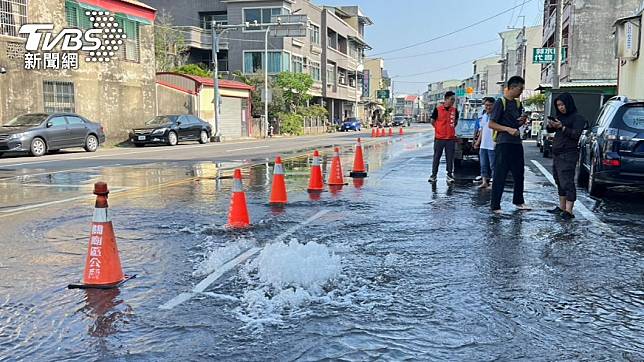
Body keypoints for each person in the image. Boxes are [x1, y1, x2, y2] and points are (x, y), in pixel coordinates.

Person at [489, 76, 530, 213]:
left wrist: (521, 121)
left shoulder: (518, 104)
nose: (521, 92)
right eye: (520, 89)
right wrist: (508, 129)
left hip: (516, 142)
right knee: (500, 174)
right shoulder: (500, 102)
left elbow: (515, 123)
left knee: (519, 173)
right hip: (503, 143)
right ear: (512, 87)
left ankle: (519, 201)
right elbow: (491, 124)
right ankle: (495, 205)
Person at [545, 93, 587, 220]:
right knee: (559, 181)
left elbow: (575, 134)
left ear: (568, 104)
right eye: (558, 105)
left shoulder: (578, 118)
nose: (561, 107)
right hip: (557, 153)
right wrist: (552, 125)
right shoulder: (560, 117)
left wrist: (562, 127)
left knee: (567, 181)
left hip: (568, 154)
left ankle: (569, 210)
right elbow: (550, 130)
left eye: (562, 105)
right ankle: (562, 207)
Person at [428, 91, 459, 184]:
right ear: (446, 99)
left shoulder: (454, 110)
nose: (453, 101)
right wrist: (438, 129)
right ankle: (433, 175)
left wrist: (451, 130)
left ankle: (449, 174)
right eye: (451, 99)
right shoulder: (437, 109)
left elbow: (455, 122)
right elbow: (432, 121)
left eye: (454, 100)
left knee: (450, 157)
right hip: (439, 138)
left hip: (450, 138)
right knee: (436, 157)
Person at [474, 97, 496, 189]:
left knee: (493, 165)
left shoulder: (496, 116)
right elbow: (482, 130)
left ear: (494, 105)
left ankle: (493, 183)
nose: (488, 107)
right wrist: (477, 142)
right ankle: (484, 182)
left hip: (492, 145)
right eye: (486, 105)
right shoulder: (484, 116)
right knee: (483, 164)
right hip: (484, 145)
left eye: (490, 105)